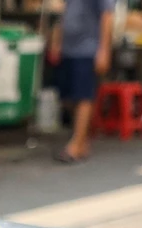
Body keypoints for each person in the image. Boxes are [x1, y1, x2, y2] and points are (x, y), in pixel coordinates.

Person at [48, 0, 116, 163]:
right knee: (68, 96)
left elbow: (107, 16)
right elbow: (64, 14)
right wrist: (57, 41)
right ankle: (82, 140)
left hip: (88, 49)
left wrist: (104, 50)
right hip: (68, 48)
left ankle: (76, 145)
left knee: (84, 96)